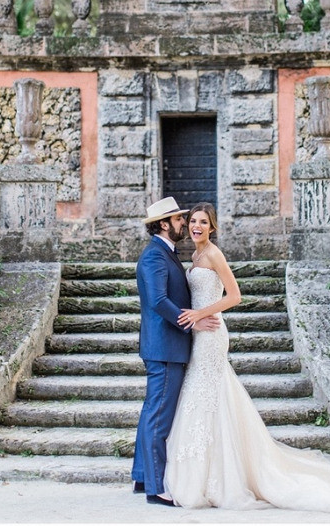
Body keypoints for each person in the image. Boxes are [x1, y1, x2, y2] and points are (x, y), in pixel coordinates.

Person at [164, 202, 330, 512]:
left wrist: (199, 314)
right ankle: (202, 474)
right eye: (193, 221)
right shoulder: (193, 256)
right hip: (199, 333)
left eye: (203, 222)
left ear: (212, 227)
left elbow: (234, 296)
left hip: (212, 334)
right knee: (206, 397)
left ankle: (216, 479)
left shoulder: (214, 254)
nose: (197, 226)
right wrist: (194, 319)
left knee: (207, 394)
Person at [131, 197, 220, 507]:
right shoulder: (155, 256)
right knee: (159, 416)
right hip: (166, 347)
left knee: (152, 412)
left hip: (165, 345)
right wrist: (192, 322)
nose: (185, 224)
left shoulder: (165, 253)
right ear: (165, 224)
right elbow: (158, 301)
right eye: (181, 220)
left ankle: (143, 476)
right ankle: (156, 488)